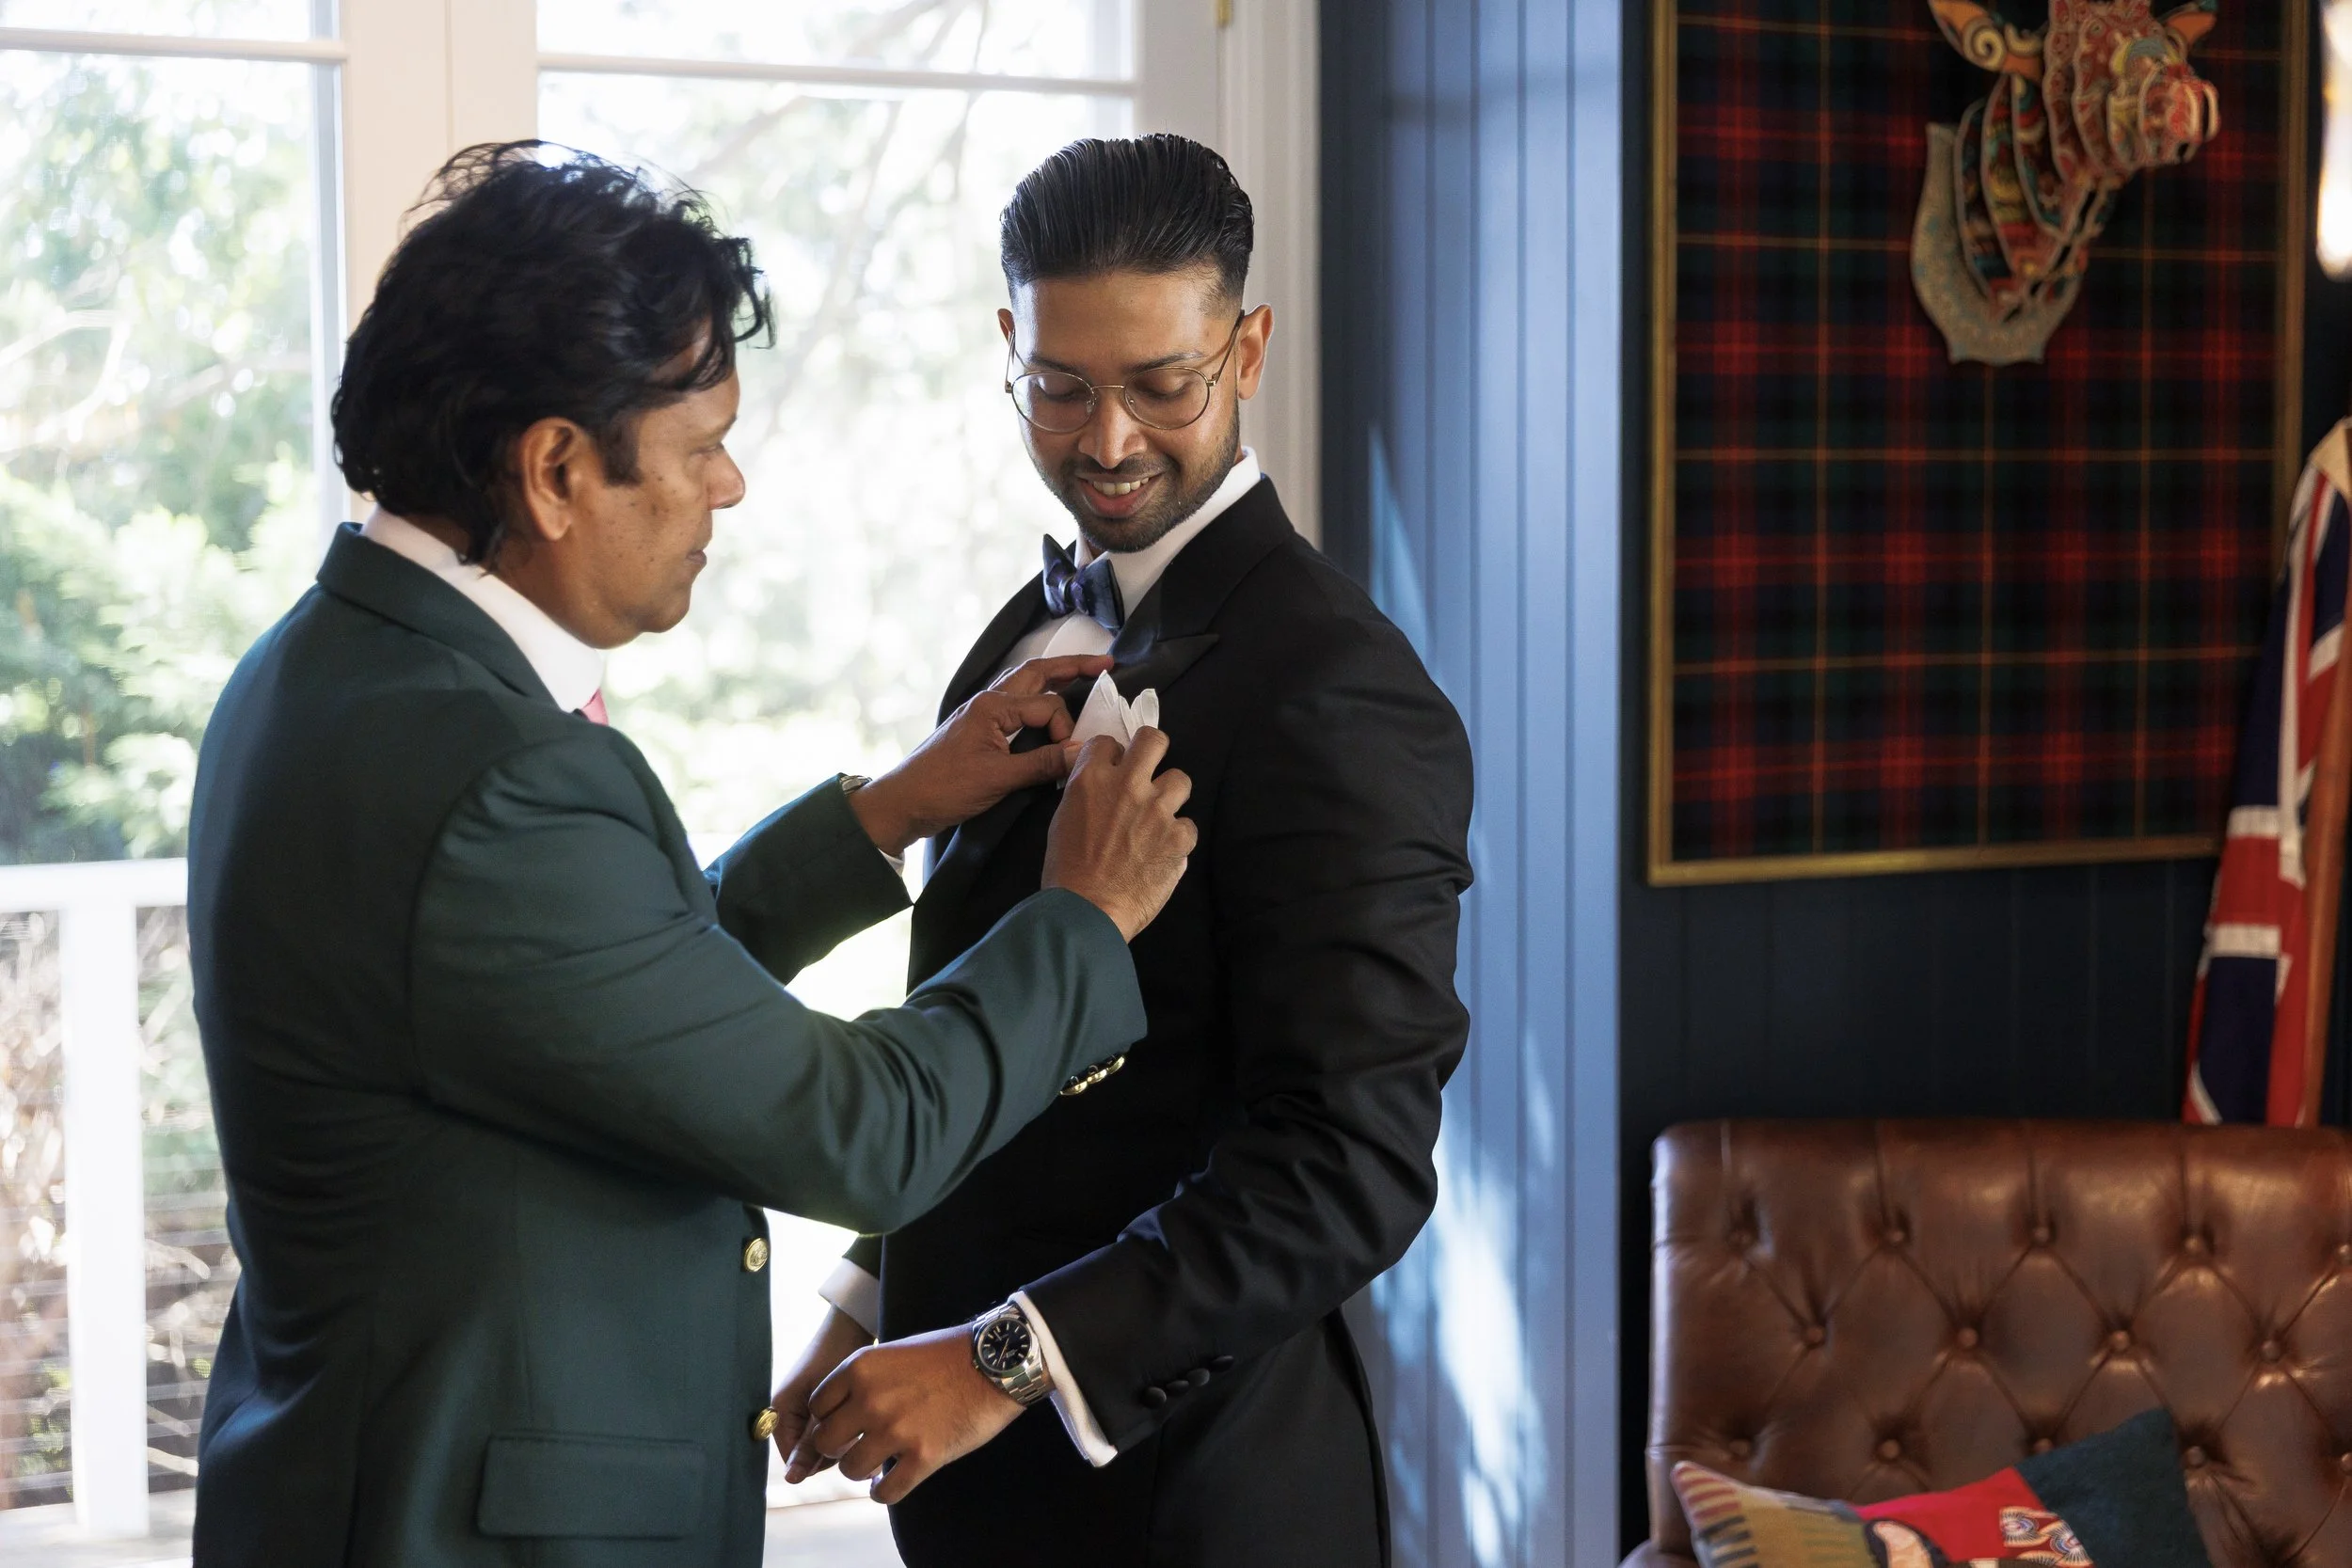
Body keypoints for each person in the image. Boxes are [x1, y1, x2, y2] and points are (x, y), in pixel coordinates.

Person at [185, 143, 1197, 1568]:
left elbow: (601, 992)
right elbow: (864, 1129)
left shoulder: (319, 671)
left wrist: (889, 808)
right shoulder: (494, 780)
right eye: (700, 442)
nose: (730, 484)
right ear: (551, 469)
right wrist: (1083, 917)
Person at [771, 134, 1475, 1568]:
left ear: (1250, 347)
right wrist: (872, 1287)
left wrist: (997, 1358)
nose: (1107, 442)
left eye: (1163, 384)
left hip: (1197, 1502)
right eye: (1061, 385)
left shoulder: (1337, 689)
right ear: (1006, 347)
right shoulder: (1018, 633)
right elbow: (990, 1008)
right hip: (985, 1496)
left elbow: (1349, 1160)